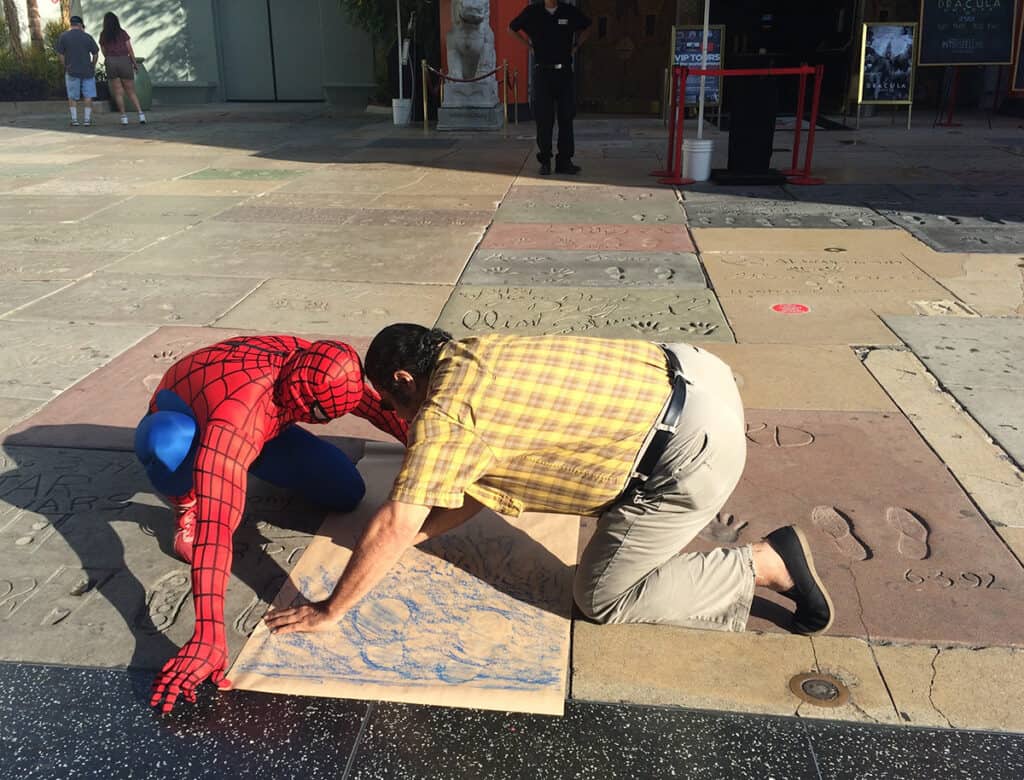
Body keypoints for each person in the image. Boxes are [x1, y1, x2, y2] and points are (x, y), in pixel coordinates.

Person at [264, 326, 834, 646]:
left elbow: (395, 520)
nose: (397, 415)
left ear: (405, 380)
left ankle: (762, 563)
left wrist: (332, 608)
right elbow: (473, 486)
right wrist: (410, 543)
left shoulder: (448, 417)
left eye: (392, 401)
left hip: (690, 455)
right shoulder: (472, 350)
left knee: (602, 598)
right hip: (701, 373)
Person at [140, 335, 408, 713]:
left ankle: (251, 458)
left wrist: (431, 449)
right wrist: (208, 635)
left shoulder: (320, 364)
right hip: (191, 422)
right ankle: (184, 501)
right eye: (319, 416)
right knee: (166, 444)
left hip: (262, 421)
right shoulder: (234, 418)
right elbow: (217, 529)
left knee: (346, 492)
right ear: (301, 398)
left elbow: (376, 408)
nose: (326, 421)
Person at [508, 0, 592, 176]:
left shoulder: (569, 11)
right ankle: (545, 161)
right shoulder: (533, 12)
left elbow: (588, 27)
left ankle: (565, 161)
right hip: (543, 73)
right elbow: (511, 28)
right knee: (544, 119)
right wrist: (529, 47)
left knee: (566, 117)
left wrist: (576, 47)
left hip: (564, 73)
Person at [98, 12, 146, 126]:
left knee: (118, 92)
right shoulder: (122, 33)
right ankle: (141, 114)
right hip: (124, 60)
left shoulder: (103, 35)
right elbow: (130, 49)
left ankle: (124, 117)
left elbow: (103, 50)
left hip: (111, 61)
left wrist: (109, 58)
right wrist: (134, 63)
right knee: (130, 91)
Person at [55, 15, 99, 127]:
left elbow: (60, 54)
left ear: (71, 24)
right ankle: (87, 120)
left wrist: (65, 65)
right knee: (88, 95)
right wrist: (92, 65)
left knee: (72, 96)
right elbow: (95, 53)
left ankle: (74, 120)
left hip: (71, 70)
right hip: (87, 71)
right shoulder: (87, 37)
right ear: (80, 25)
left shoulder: (63, 37)